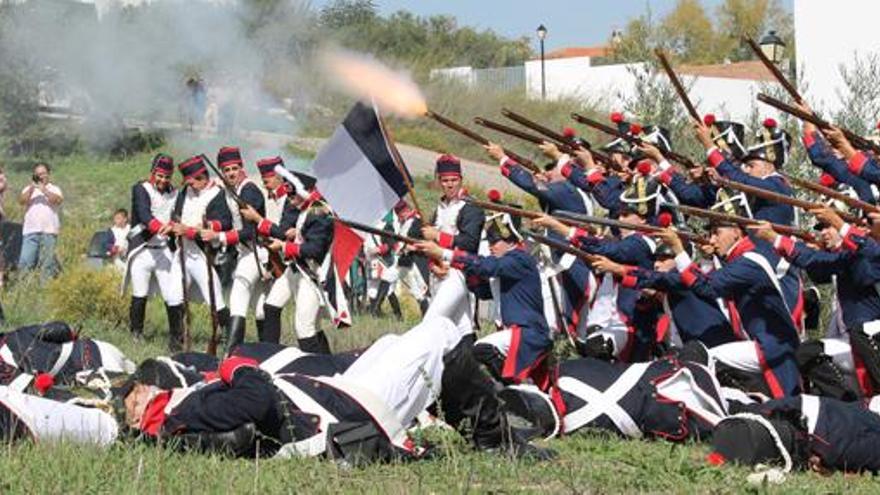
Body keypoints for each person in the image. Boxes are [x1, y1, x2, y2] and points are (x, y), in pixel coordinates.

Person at [171, 155, 233, 350]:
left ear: (202, 177)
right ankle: (176, 339)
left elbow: (224, 222)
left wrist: (198, 228)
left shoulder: (217, 194)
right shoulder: (185, 192)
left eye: (193, 181)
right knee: (173, 296)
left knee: (214, 298)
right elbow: (177, 214)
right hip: (182, 250)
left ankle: (229, 338)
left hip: (202, 252)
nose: (191, 186)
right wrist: (175, 225)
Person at [209, 147, 267, 354]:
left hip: (259, 250)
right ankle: (266, 351)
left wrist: (220, 236)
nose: (231, 173)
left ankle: (231, 352)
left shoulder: (249, 190)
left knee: (238, 298)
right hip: (246, 251)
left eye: (234, 168)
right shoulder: (230, 191)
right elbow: (225, 218)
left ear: (242, 168)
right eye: (227, 170)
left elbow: (251, 230)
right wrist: (212, 225)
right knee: (261, 308)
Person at [124, 154, 185, 348]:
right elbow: (143, 214)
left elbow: (178, 214)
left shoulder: (174, 193)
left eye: (166, 177)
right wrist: (161, 228)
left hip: (164, 250)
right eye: (159, 176)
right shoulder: (141, 189)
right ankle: (136, 334)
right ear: (153, 173)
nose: (162, 180)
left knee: (171, 295)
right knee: (139, 294)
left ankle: (176, 338)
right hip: (143, 249)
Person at [18, 162, 63, 279]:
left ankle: (45, 290)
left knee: (47, 264)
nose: (40, 176)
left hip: (48, 231)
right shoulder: (29, 189)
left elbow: (58, 200)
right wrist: (33, 188)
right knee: (25, 262)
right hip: (30, 231)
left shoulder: (54, 188)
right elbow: (22, 201)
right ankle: (24, 290)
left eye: (43, 173)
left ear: (48, 174)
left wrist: (44, 190)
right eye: (37, 174)